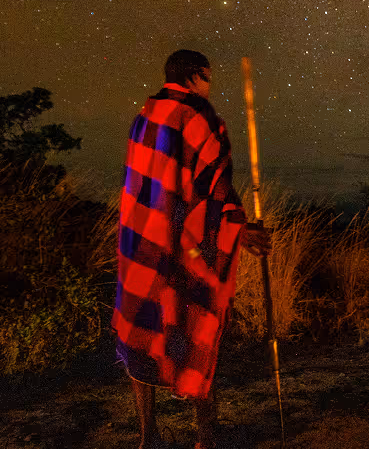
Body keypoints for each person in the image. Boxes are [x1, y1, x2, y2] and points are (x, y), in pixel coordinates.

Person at [114, 49, 271, 449]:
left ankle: (149, 436)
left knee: (143, 325)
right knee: (198, 318)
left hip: (143, 240)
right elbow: (212, 187)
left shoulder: (142, 119)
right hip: (185, 246)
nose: (210, 83)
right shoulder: (198, 116)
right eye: (208, 76)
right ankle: (206, 435)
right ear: (196, 75)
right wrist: (240, 230)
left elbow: (150, 185)